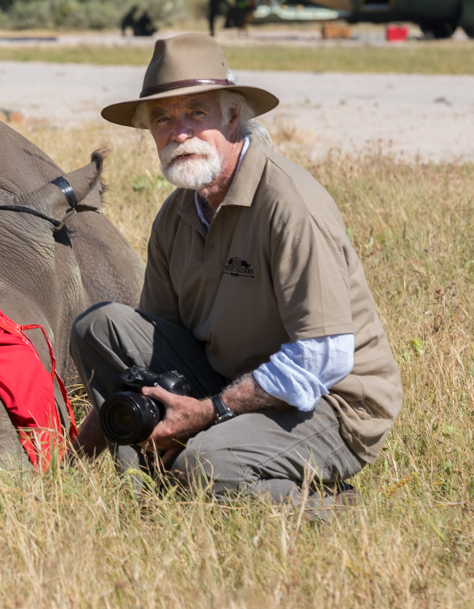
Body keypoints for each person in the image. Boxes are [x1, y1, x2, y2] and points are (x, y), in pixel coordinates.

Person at [71, 33, 402, 506]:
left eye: (196, 113)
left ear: (232, 116)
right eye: (163, 119)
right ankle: (143, 491)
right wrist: (75, 451)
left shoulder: (290, 205)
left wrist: (210, 411)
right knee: (99, 326)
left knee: (201, 467)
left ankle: (338, 508)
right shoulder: (176, 214)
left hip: (331, 403)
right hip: (231, 385)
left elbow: (323, 358)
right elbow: (144, 363)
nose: (178, 132)